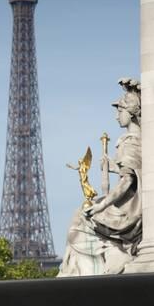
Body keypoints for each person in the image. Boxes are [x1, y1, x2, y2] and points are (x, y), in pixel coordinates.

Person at [57, 78, 142, 276]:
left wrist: (101, 206)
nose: (116, 116)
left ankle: (112, 255)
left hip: (130, 211)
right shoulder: (137, 140)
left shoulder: (129, 142)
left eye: (119, 110)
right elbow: (133, 173)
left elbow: (128, 181)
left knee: (81, 217)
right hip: (135, 207)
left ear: (132, 112)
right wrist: (114, 167)